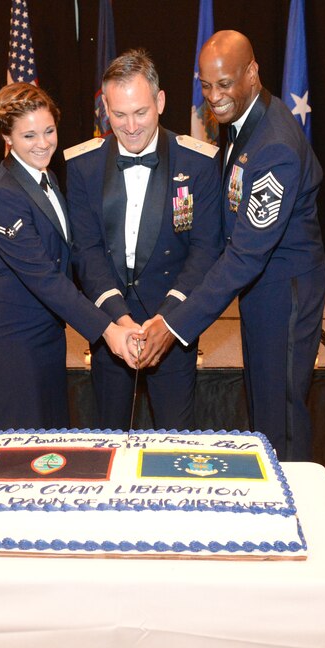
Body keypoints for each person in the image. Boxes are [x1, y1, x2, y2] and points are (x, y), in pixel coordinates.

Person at [139, 30, 325, 461]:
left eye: (224, 83)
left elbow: (245, 253)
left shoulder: (274, 144)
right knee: (262, 397)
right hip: (262, 288)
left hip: (285, 290)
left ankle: (294, 508)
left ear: (252, 73)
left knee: (280, 407)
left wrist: (174, 325)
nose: (213, 96)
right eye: (205, 85)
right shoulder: (245, 121)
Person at [65, 49, 222, 430]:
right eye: (119, 114)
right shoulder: (82, 164)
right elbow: (86, 251)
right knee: (110, 438)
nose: (131, 125)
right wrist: (118, 321)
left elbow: (205, 251)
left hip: (172, 322)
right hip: (110, 327)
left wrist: (164, 323)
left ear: (161, 101)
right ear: (105, 107)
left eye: (141, 112)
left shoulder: (198, 162)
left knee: (174, 441)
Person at [0, 82, 141, 430]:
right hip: (12, 339)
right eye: (29, 136)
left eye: (49, 131)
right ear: (7, 137)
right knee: (20, 444)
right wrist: (106, 330)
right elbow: (44, 277)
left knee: (50, 438)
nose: (44, 143)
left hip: (47, 331)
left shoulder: (45, 177)